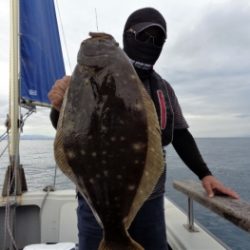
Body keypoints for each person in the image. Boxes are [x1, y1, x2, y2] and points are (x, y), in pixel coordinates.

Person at [48, 7, 239, 250]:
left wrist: (205, 174)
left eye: (157, 39)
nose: (151, 43)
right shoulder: (78, 81)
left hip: (149, 197)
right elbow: (67, 130)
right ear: (126, 37)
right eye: (143, 36)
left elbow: (180, 134)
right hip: (95, 200)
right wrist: (58, 106)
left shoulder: (164, 90)